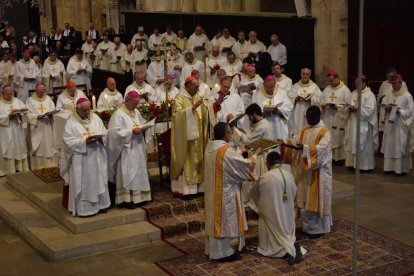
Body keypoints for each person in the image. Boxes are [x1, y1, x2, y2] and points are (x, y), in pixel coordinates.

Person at [204, 122, 260, 262]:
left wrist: (240, 151)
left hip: (212, 192)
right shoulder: (226, 151)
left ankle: (215, 251)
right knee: (226, 222)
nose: (231, 134)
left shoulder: (210, 147)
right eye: (230, 132)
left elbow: (228, 160)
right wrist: (255, 156)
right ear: (225, 135)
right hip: (225, 192)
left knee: (216, 221)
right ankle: (225, 253)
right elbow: (242, 165)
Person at [280, 106, 332, 238]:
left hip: (317, 172)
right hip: (305, 171)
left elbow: (322, 150)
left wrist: (305, 148)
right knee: (304, 198)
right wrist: (285, 142)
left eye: (310, 117)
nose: (308, 119)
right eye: (307, 117)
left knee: (314, 198)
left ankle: (318, 228)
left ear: (318, 116)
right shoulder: (305, 129)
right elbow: (296, 141)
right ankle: (307, 226)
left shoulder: (324, 132)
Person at [60, 97, 110, 217]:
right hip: (81, 160)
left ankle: (101, 205)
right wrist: (84, 142)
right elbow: (67, 141)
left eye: (88, 110)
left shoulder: (95, 118)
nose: (87, 113)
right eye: (84, 110)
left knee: (98, 180)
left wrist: (101, 138)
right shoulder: (71, 122)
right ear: (77, 110)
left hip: (96, 155)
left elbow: (104, 132)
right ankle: (85, 209)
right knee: (85, 183)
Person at [250, 151, 303, 265]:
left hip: (273, 217)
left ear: (267, 164)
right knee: (287, 229)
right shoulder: (289, 175)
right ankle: (291, 245)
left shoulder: (266, 177)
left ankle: (282, 251)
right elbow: (294, 194)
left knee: (265, 215)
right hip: (288, 217)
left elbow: (255, 193)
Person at [107, 91, 152, 209]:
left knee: (139, 171)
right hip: (126, 150)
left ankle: (141, 197)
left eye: (138, 103)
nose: (137, 106)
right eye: (135, 103)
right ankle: (127, 199)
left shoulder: (135, 112)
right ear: (127, 101)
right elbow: (114, 133)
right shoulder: (118, 114)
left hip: (138, 147)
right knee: (128, 173)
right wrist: (130, 132)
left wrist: (144, 128)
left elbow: (141, 124)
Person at [170, 76, 209, 196]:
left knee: (198, 159)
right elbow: (176, 116)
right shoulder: (179, 98)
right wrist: (191, 108)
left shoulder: (197, 97)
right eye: (195, 87)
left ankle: (199, 188)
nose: (197, 90)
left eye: (198, 87)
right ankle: (187, 191)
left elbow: (205, 111)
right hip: (186, 137)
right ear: (188, 87)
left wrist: (213, 106)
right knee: (188, 159)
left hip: (199, 136)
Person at [380, 74, 413, 175]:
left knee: (399, 146)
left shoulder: (407, 96)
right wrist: (386, 107)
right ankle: (389, 168)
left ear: (400, 82)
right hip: (390, 125)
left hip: (400, 125)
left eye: (395, 83)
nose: (393, 85)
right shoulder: (390, 94)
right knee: (389, 145)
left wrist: (400, 111)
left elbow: (410, 112)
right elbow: (384, 103)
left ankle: (400, 170)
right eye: (392, 83)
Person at [345, 75, 378, 170]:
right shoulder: (353, 93)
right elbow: (348, 105)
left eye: (358, 83)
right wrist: (349, 109)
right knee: (352, 141)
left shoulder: (369, 95)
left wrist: (357, 109)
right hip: (353, 122)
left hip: (363, 124)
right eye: (355, 83)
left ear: (364, 83)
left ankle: (364, 166)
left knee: (363, 145)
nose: (356, 85)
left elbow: (369, 111)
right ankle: (352, 164)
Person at [26, 83, 58, 169]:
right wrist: (36, 117)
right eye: (40, 92)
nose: (42, 94)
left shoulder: (47, 98)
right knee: (39, 146)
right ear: (36, 91)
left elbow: (53, 108)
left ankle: (51, 165)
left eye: (43, 92)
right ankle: (38, 166)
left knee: (49, 144)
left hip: (47, 125)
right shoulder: (30, 100)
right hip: (37, 126)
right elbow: (28, 114)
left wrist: (51, 114)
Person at [321, 70, 350, 162]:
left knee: (338, 136)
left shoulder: (345, 90)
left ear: (337, 78)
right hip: (328, 116)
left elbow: (348, 106)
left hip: (338, 117)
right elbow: (321, 100)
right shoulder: (327, 89)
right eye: (329, 81)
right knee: (328, 136)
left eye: (332, 80)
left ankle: (339, 158)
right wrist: (323, 105)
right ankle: (329, 157)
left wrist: (337, 107)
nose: (330, 83)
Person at [252, 75, 293, 140]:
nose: (270, 89)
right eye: (267, 87)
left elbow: (289, 109)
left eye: (272, 87)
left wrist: (279, 112)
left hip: (279, 127)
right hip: (264, 127)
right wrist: (262, 114)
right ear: (263, 84)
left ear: (275, 85)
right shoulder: (257, 95)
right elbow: (253, 113)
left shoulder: (282, 93)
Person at [0, 85, 29, 176]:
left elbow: (25, 111)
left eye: (11, 94)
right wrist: (7, 117)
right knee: (9, 148)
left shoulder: (16, 101)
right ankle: (8, 170)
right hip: (5, 130)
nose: (9, 96)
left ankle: (19, 168)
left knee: (19, 147)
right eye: (7, 94)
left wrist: (21, 113)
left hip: (17, 128)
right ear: (2, 93)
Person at [289, 68, 322, 136]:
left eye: (307, 74)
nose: (305, 76)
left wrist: (310, 99)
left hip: (309, 111)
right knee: (298, 129)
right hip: (298, 112)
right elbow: (289, 98)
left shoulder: (314, 86)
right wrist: (296, 99)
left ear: (309, 75)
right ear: (301, 74)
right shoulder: (296, 86)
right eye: (303, 74)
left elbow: (320, 100)